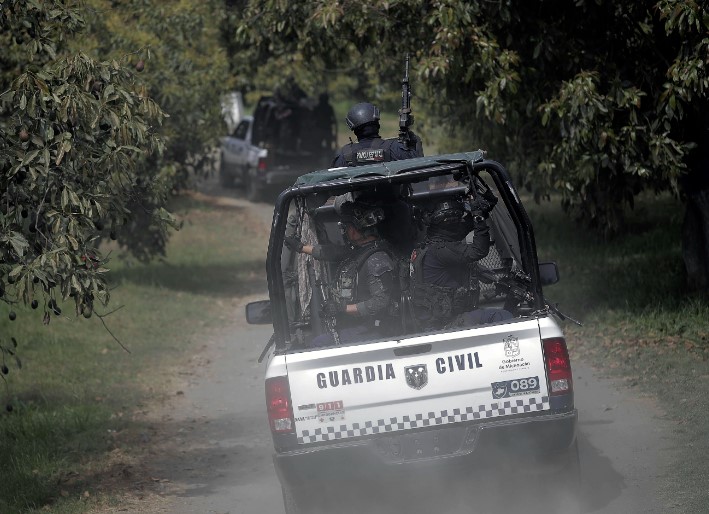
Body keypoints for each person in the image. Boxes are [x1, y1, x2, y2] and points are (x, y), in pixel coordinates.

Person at [284, 198, 398, 346]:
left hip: (373, 329)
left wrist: (343, 308)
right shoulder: (360, 251)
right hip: (360, 327)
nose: (345, 230)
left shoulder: (376, 260)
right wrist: (300, 247)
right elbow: (333, 252)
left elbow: (381, 301)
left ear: (356, 229)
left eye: (347, 226)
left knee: (318, 344)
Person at [409, 192, 513, 330]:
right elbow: (479, 250)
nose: (460, 223)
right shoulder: (441, 250)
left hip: (437, 321)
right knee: (502, 316)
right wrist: (478, 217)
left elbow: (460, 230)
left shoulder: (433, 243)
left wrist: (484, 210)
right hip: (446, 325)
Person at [332, 102, 423, 167]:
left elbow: (333, 186)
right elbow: (419, 166)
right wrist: (411, 139)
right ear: (377, 125)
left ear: (354, 129)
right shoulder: (394, 148)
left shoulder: (345, 155)